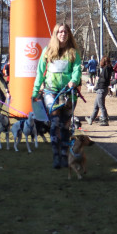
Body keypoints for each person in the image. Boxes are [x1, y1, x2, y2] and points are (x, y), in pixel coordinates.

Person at [32, 23, 83, 169]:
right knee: (55, 123)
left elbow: (77, 70)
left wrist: (74, 80)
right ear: (55, 34)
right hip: (51, 92)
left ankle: (63, 154)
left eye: (66, 32)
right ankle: (56, 156)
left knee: (65, 125)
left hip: (68, 93)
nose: (63, 34)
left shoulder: (74, 53)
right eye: (60, 32)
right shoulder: (47, 52)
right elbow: (39, 73)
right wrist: (35, 92)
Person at [87, 56, 113, 126]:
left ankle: (105, 119)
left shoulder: (106, 69)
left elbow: (103, 79)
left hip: (101, 89)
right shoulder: (108, 68)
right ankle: (91, 119)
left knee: (101, 106)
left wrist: (97, 85)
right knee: (96, 105)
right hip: (102, 89)